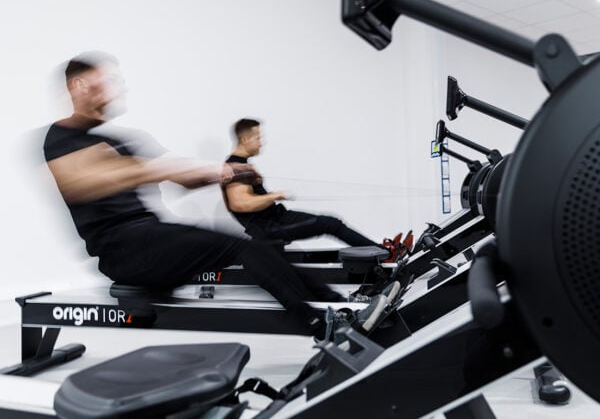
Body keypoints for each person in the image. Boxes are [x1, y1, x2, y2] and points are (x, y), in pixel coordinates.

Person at [42, 51, 393, 341]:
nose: (120, 87)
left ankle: (334, 306)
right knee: (244, 246)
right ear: (80, 84)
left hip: (150, 237)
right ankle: (321, 326)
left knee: (257, 249)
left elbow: (181, 175)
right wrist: (155, 169)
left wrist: (221, 171)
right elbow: (85, 182)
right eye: (111, 80)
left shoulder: (119, 140)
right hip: (121, 250)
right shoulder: (61, 139)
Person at [223, 118, 412, 261]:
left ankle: (380, 251)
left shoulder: (242, 165)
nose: (261, 142)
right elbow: (240, 204)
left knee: (332, 224)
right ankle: (385, 255)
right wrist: (275, 195)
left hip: (277, 218)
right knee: (331, 224)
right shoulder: (234, 167)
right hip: (270, 227)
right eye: (257, 138)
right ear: (245, 139)